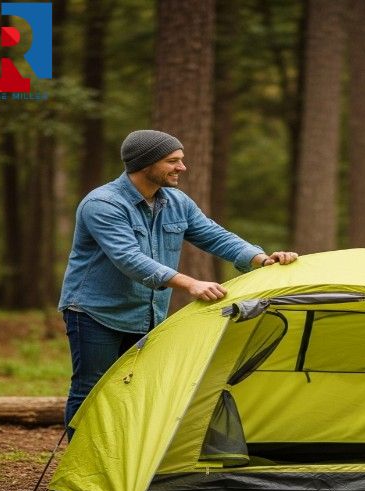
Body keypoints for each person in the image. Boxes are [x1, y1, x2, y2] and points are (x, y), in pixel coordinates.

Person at [58, 129, 298, 435]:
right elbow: (128, 258)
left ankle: (120, 457)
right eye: (172, 161)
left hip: (146, 314)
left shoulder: (176, 202)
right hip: (95, 312)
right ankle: (81, 458)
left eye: (180, 160)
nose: (182, 167)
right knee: (91, 388)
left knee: (134, 388)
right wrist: (190, 284)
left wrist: (261, 260)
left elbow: (215, 236)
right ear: (145, 163)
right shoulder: (103, 204)